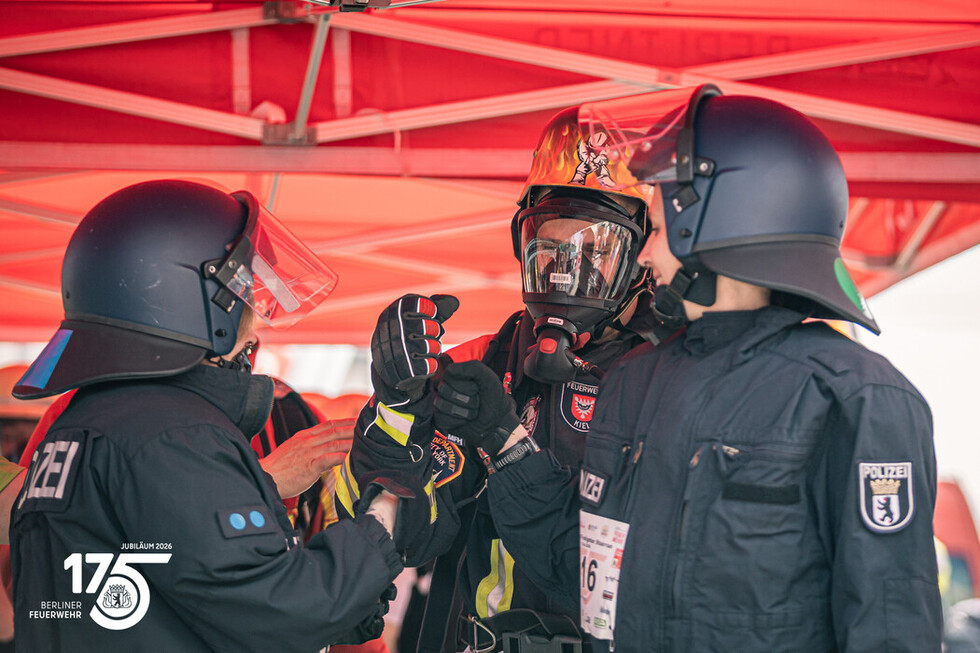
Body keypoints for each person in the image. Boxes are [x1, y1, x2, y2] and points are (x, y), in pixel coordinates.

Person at [432, 86, 943, 651]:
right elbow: (586, 576)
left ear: (727, 219)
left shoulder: (855, 396)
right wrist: (504, 443)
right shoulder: (637, 380)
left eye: (668, 213)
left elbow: (890, 625)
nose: (649, 251)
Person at [8, 179, 426, 651]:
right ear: (188, 301)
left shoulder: (90, 422)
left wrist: (353, 605)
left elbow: (174, 587)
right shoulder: (172, 435)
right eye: (242, 287)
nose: (255, 305)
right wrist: (386, 507)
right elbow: (283, 611)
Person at [334, 106, 674, 652]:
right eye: (552, 244)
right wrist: (395, 405)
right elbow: (403, 535)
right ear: (522, 241)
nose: (567, 269)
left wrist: (507, 443)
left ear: (642, 257)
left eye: (595, 251)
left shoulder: (677, 374)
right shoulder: (482, 364)